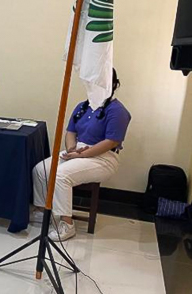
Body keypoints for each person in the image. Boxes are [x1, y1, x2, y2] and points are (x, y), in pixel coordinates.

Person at [32, 69, 131, 241]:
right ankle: (43, 211)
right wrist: (72, 150)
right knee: (40, 170)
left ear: (112, 85)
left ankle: (67, 224)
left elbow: (111, 142)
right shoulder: (83, 107)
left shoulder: (117, 111)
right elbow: (70, 131)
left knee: (61, 176)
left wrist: (81, 155)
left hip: (103, 157)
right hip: (78, 151)